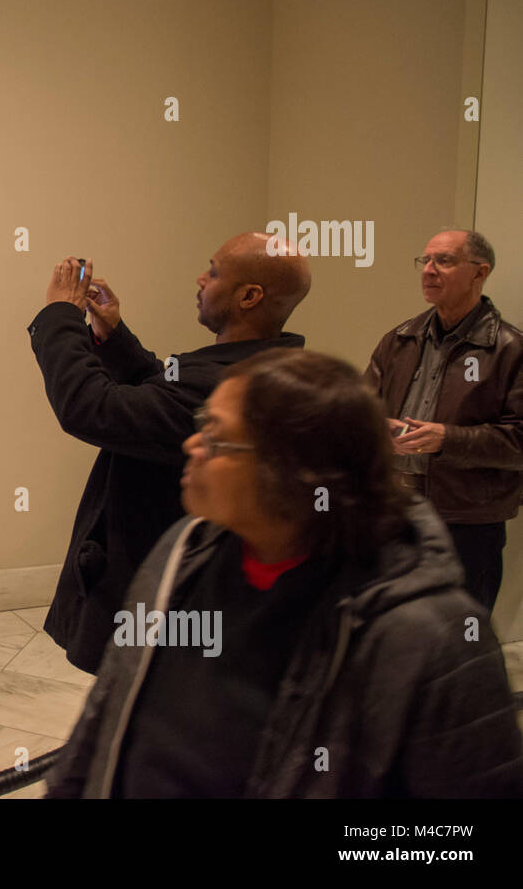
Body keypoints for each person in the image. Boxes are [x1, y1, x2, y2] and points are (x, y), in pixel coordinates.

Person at [46, 349, 523, 798]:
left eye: (215, 435)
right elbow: (106, 715)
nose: (192, 445)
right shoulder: (182, 552)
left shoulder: (432, 636)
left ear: (291, 470)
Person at [28, 233, 311, 672]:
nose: (201, 278)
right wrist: (113, 334)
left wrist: (58, 316)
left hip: (163, 594)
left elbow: (90, 409)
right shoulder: (259, 365)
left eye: (214, 271)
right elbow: (163, 392)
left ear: (250, 296)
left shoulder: (230, 383)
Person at [364, 229, 523, 612]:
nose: (429, 271)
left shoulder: (511, 350)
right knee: (394, 625)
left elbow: (519, 441)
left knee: (462, 632)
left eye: (445, 261)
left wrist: (446, 439)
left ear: (479, 272)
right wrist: (373, 430)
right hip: (395, 508)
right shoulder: (399, 339)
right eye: (426, 261)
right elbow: (359, 409)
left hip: (467, 521)